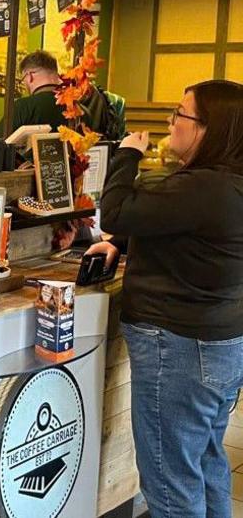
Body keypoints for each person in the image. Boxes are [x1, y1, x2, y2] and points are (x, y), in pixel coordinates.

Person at [85, 79, 243, 518]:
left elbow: (113, 211)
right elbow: (200, 243)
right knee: (206, 462)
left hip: (178, 349)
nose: (171, 123)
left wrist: (127, 154)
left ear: (209, 129)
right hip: (220, 346)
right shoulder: (226, 185)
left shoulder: (203, 187)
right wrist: (126, 245)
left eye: (180, 114)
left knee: (170, 483)